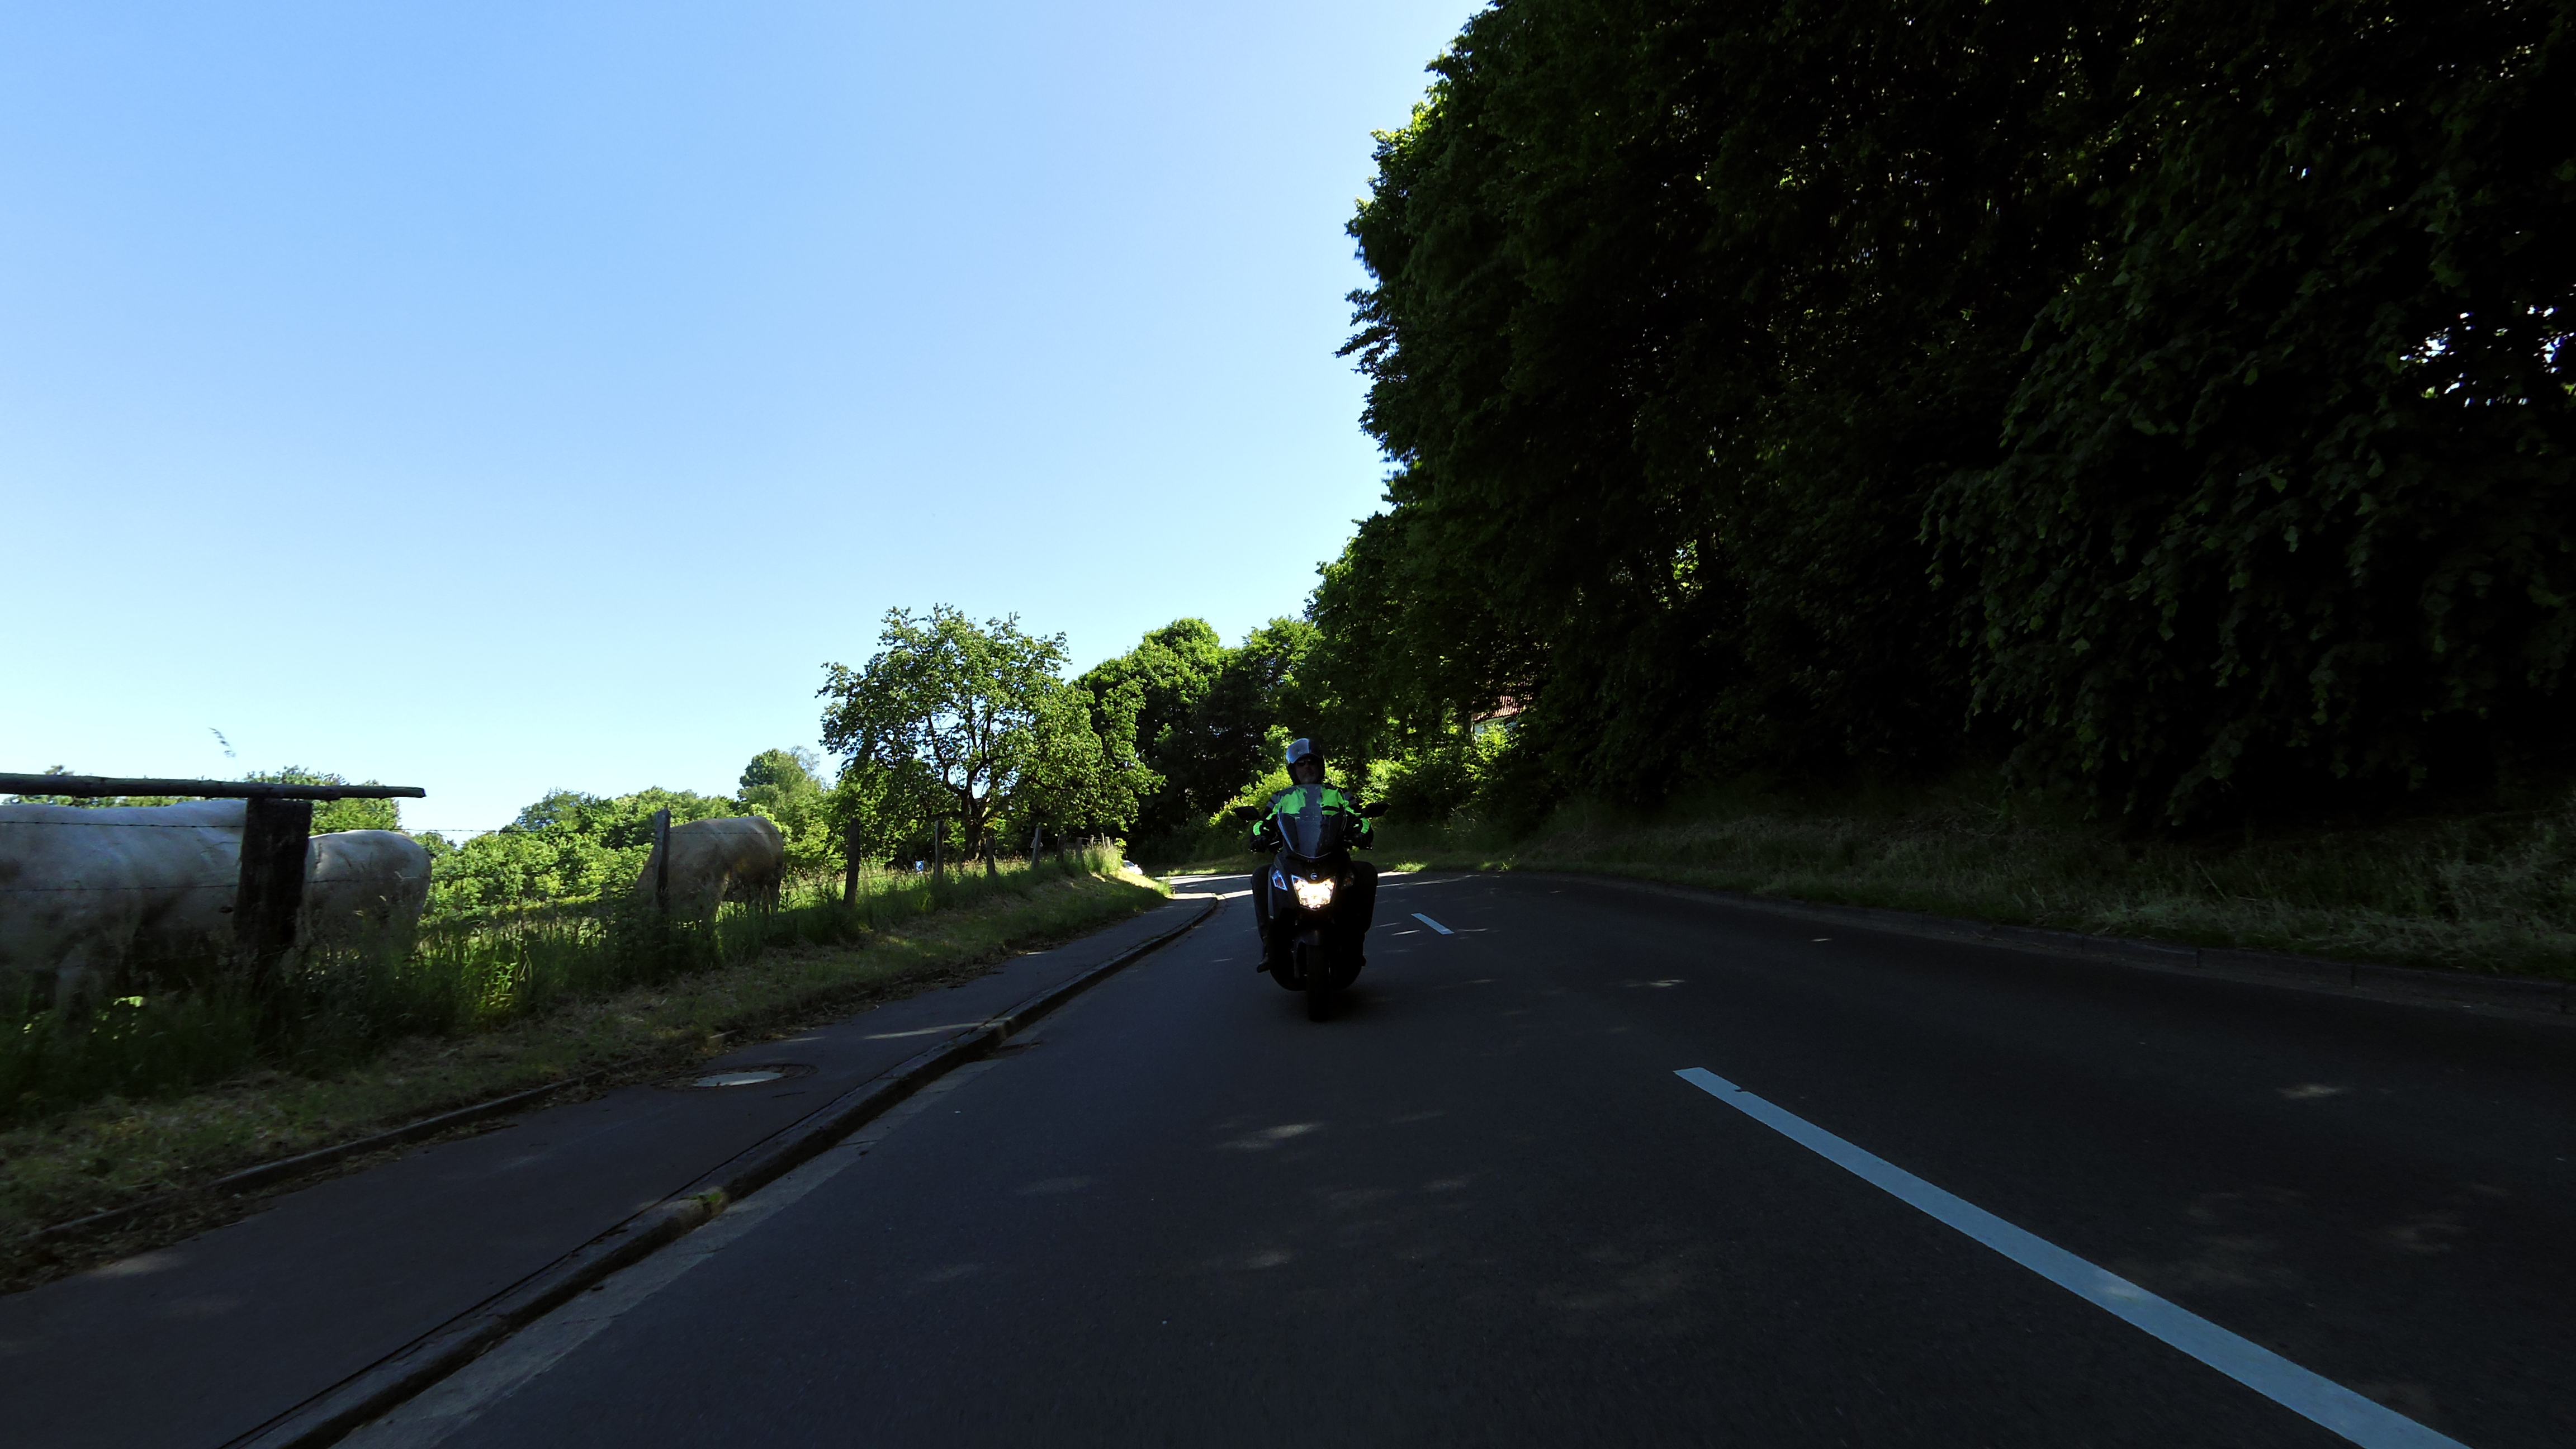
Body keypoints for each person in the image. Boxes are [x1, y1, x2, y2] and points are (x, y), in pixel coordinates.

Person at [1246, 738, 1379, 973]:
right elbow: (1263, 822)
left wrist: (1361, 834)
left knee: (1366, 871)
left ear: (1321, 766)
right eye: (1301, 763)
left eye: (1312, 762)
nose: (1307, 767)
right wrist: (1260, 837)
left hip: (1333, 858)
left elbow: (1360, 818)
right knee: (1261, 875)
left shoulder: (1339, 795)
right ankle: (1269, 943)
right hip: (1293, 859)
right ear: (1293, 769)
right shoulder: (1281, 798)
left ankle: (1356, 940)